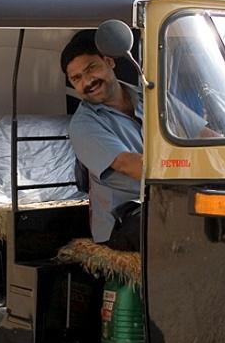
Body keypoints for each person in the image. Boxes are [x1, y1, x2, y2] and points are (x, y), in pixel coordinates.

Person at [63, 31, 215, 252]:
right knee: (198, 229)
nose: (87, 82)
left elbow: (203, 133)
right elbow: (132, 166)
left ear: (109, 61)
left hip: (172, 202)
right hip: (127, 217)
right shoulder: (83, 125)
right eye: (76, 78)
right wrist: (200, 169)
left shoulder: (151, 96)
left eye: (91, 68)